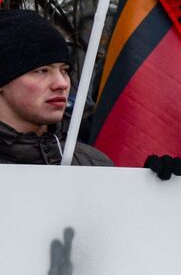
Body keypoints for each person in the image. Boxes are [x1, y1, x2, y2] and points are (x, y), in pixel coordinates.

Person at [0, 9, 112, 166]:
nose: (62, 84)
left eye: (64, 70)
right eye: (41, 71)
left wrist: (151, 185)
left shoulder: (94, 165)